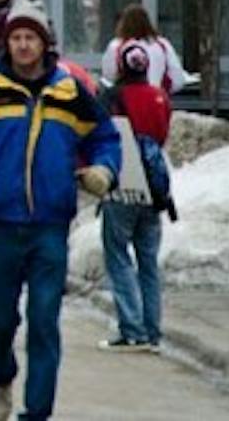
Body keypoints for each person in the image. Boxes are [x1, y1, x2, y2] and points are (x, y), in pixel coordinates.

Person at [0, 0, 121, 421]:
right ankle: (0, 376)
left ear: (44, 43)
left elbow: (106, 138)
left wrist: (103, 171)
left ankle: (37, 412)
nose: (22, 46)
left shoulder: (71, 93)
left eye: (30, 38)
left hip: (50, 226)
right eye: (15, 37)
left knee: (44, 320)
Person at [98, 41, 172, 353]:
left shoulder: (115, 97)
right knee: (148, 261)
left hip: (124, 180)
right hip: (155, 186)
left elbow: (101, 132)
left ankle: (131, 327)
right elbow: (163, 135)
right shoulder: (159, 97)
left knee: (118, 256)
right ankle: (152, 329)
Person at [99, 4, 187, 93]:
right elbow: (177, 79)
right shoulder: (162, 44)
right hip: (154, 97)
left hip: (127, 99)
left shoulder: (117, 45)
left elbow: (108, 75)